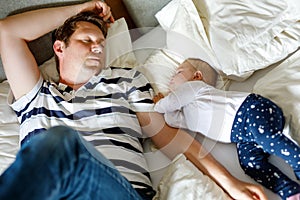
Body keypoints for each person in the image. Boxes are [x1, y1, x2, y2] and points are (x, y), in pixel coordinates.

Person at [0, 1, 268, 199]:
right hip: (49, 192)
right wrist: (81, 9)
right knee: (55, 146)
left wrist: (230, 182)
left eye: (102, 42)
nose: (98, 46)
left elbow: (171, 138)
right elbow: (7, 31)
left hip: (116, 191)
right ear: (59, 47)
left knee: (60, 143)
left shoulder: (126, 82)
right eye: (86, 39)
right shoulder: (36, 95)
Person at [153, 58, 300, 200]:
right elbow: (172, 120)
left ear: (197, 76)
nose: (171, 78)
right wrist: (165, 109)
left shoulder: (194, 87)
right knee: (250, 165)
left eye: (178, 72)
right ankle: (289, 190)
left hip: (251, 111)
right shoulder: (187, 112)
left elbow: (171, 103)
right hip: (243, 136)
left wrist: (159, 104)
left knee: (267, 138)